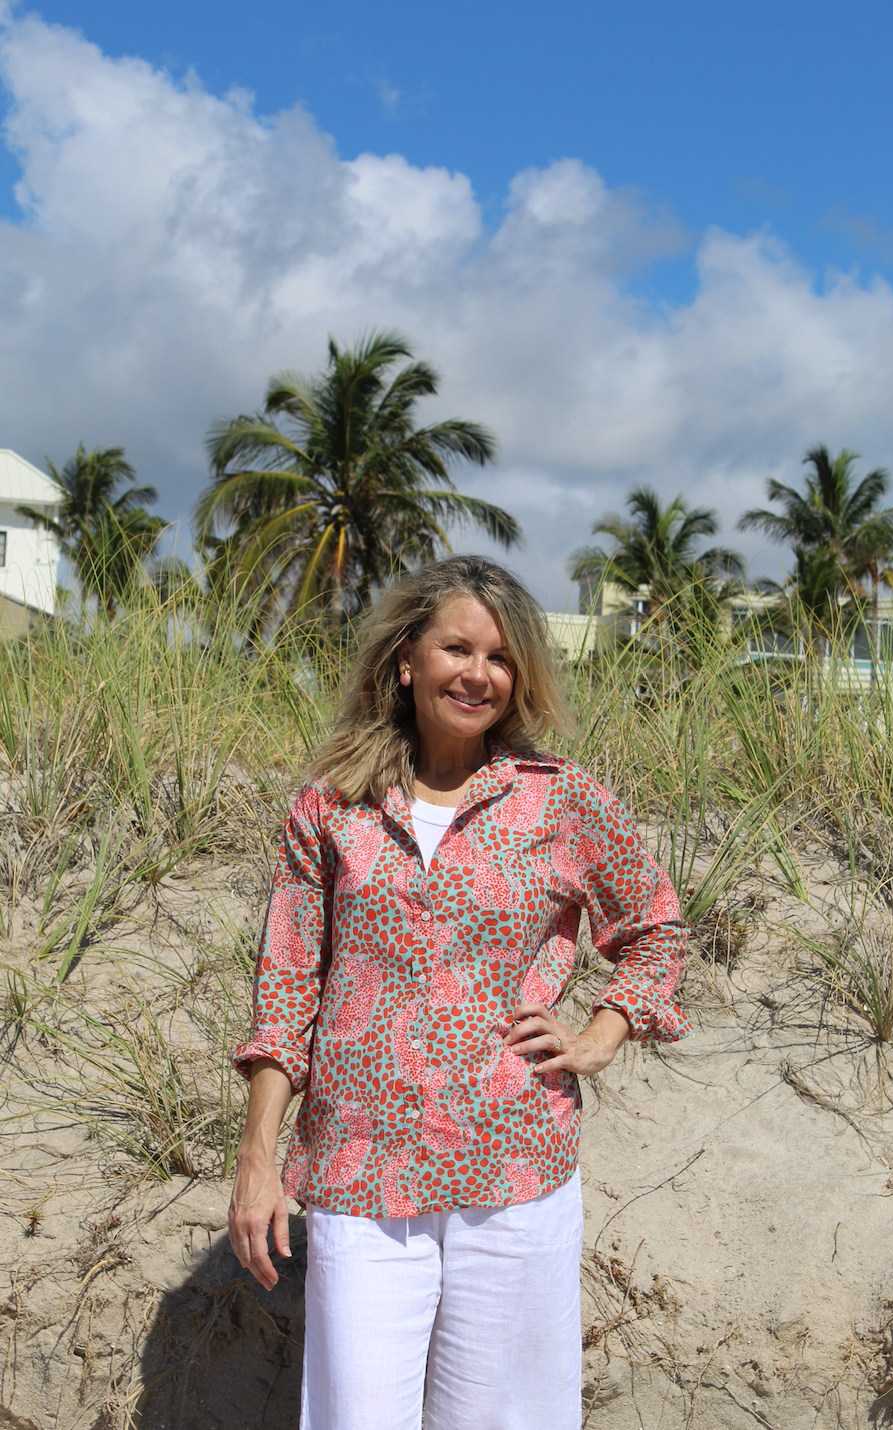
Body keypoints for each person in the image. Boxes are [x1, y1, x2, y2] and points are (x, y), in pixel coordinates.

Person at [229, 554, 691, 1430]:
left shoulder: (562, 803)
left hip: (514, 1169)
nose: (479, 674)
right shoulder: (330, 807)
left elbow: (656, 923)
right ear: (407, 659)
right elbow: (286, 990)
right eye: (457, 648)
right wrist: (258, 1157)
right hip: (361, 1169)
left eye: (502, 657)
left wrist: (602, 1033)